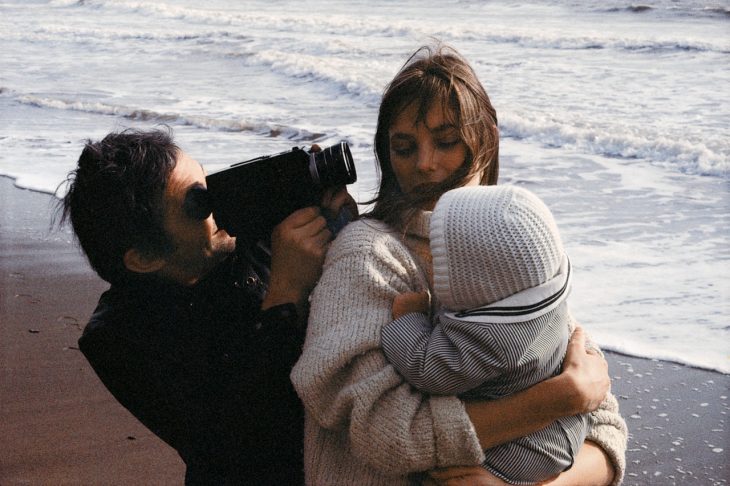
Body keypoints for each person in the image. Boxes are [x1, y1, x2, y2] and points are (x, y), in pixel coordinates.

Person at [291, 44, 627, 485]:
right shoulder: (368, 254)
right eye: (404, 147)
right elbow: (387, 432)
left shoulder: (512, 245)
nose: (424, 164)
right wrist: (555, 400)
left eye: (446, 142)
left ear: (486, 141)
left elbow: (604, 425)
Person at [58, 128, 356, 485]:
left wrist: (344, 229)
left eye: (206, 180)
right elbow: (238, 450)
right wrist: (285, 299)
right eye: (197, 204)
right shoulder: (118, 338)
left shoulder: (247, 233)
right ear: (145, 257)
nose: (218, 202)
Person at [381, 184, 592, 485]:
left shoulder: (491, 338)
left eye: (441, 258)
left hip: (525, 451)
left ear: (476, 282)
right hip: (568, 426)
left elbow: (427, 369)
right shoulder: (547, 295)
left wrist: (409, 319)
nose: (430, 258)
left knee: (445, 476)